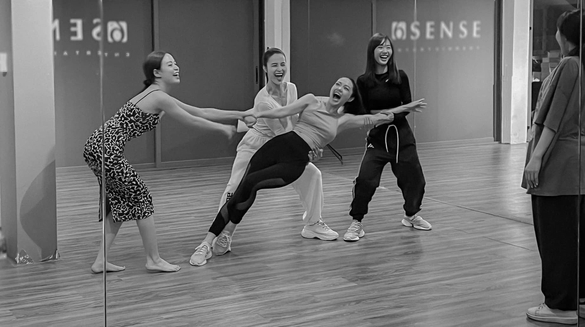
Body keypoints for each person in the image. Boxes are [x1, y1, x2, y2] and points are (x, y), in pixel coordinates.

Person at [189, 76, 394, 266]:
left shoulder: (344, 120)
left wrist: (393, 114)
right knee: (243, 187)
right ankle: (209, 242)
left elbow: (371, 119)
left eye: (346, 88)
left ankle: (311, 224)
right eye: (338, 84)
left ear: (351, 97)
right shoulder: (312, 100)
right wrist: (257, 113)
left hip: (296, 160)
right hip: (278, 145)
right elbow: (282, 112)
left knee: (252, 183)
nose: (339, 88)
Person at [83, 50, 253, 273]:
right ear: (157, 72)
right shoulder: (158, 96)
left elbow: (201, 111)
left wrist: (240, 113)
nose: (176, 67)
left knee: (121, 204)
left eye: (175, 63)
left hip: (98, 147)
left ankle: (100, 261)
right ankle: (153, 259)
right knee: (142, 200)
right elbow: (191, 120)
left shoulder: (159, 95)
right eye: (170, 64)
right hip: (106, 149)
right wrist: (224, 129)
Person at [208, 48, 338, 260]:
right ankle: (222, 232)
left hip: (287, 144)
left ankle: (313, 224)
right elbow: (283, 134)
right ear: (266, 69)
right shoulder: (263, 100)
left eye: (282, 64)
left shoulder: (293, 89)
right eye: (274, 65)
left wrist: (311, 147)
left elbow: (295, 125)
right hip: (257, 144)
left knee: (313, 175)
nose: (280, 69)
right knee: (235, 187)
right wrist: (304, 149)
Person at [523, 9, 585, 325]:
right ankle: (583, 299)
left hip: (557, 163)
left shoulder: (570, 65)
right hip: (579, 163)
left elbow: (553, 120)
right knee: (580, 236)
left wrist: (536, 158)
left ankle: (559, 306)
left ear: (565, 36)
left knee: (556, 240)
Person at [344, 33, 430, 242]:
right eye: (380, 47)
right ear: (372, 52)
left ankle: (411, 215)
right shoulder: (363, 81)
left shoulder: (400, 76)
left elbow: (407, 105)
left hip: (402, 137)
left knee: (415, 179)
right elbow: (363, 111)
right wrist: (378, 118)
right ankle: (356, 222)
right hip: (378, 138)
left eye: (388, 47)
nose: (385, 51)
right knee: (366, 179)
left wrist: (394, 114)